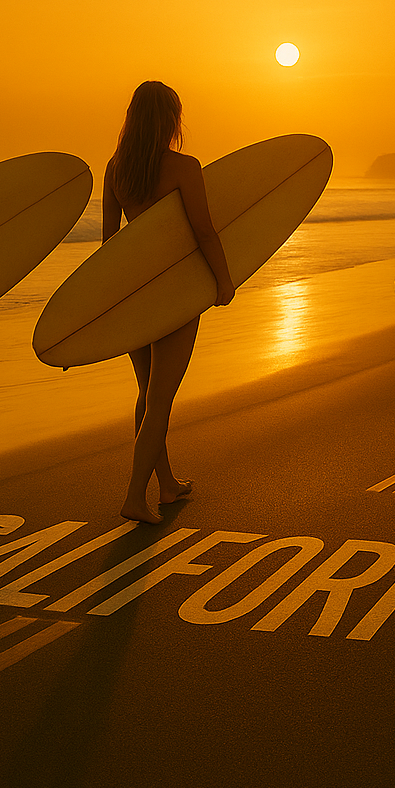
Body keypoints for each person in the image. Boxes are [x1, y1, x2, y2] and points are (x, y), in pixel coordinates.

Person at [102, 81, 236, 524]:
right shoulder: (183, 167)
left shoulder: (115, 169)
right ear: (171, 120)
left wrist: (106, 305)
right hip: (175, 292)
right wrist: (223, 280)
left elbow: (109, 247)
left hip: (133, 292)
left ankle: (166, 484)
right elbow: (204, 230)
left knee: (147, 394)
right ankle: (134, 497)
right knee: (160, 399)